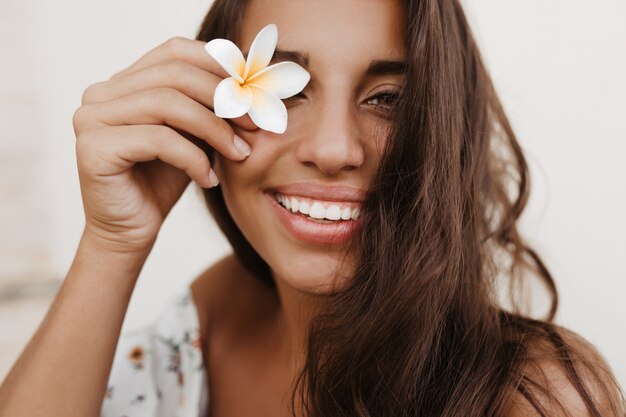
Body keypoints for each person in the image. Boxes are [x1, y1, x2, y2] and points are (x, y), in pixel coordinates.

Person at [0, 0, 624, 416]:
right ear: (204, 106)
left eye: (387, 99)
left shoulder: (537, 398)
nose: (333, 149)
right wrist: (111, 245)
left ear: (445, 131)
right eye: (283, 89)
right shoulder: (210, 320)